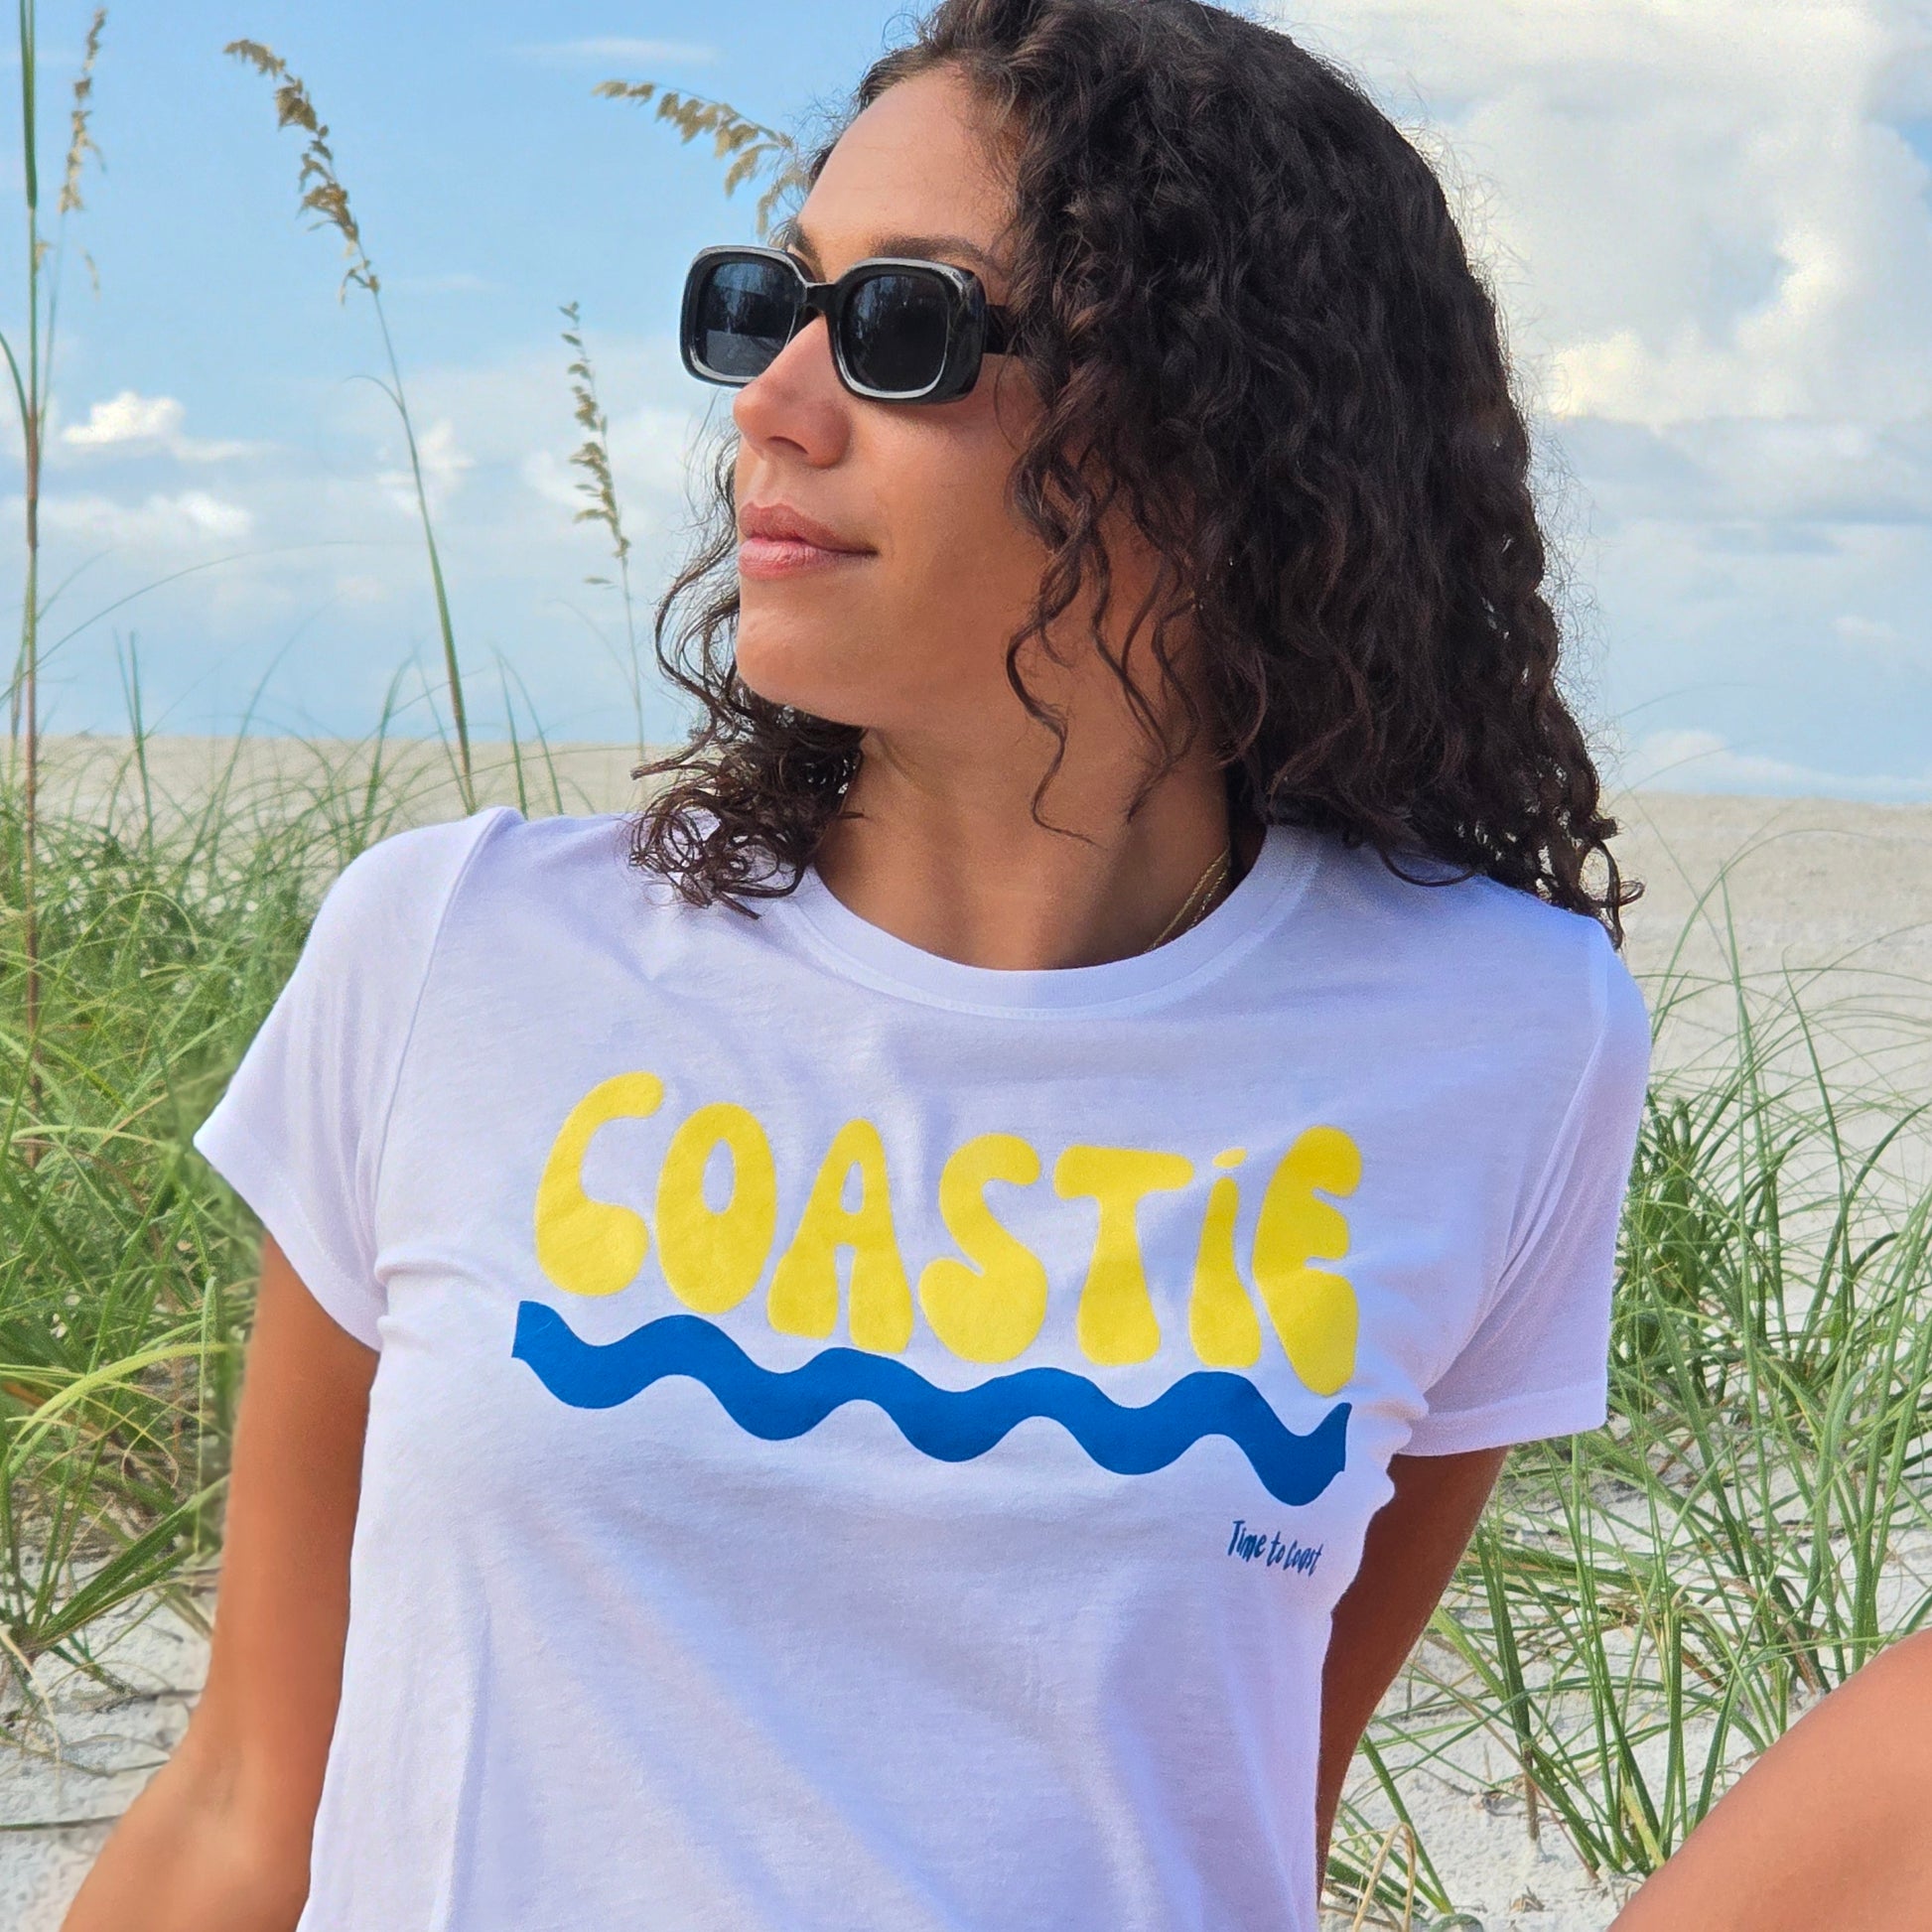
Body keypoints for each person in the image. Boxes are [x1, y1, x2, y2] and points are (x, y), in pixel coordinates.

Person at [65, 2, 1651, 1927]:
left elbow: (1235, 1804)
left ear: (1221, 428)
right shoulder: (454, 953)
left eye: (903, 327)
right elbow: (245, 1791)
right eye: (768, 304)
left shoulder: (1499, 1041)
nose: (770, 400)